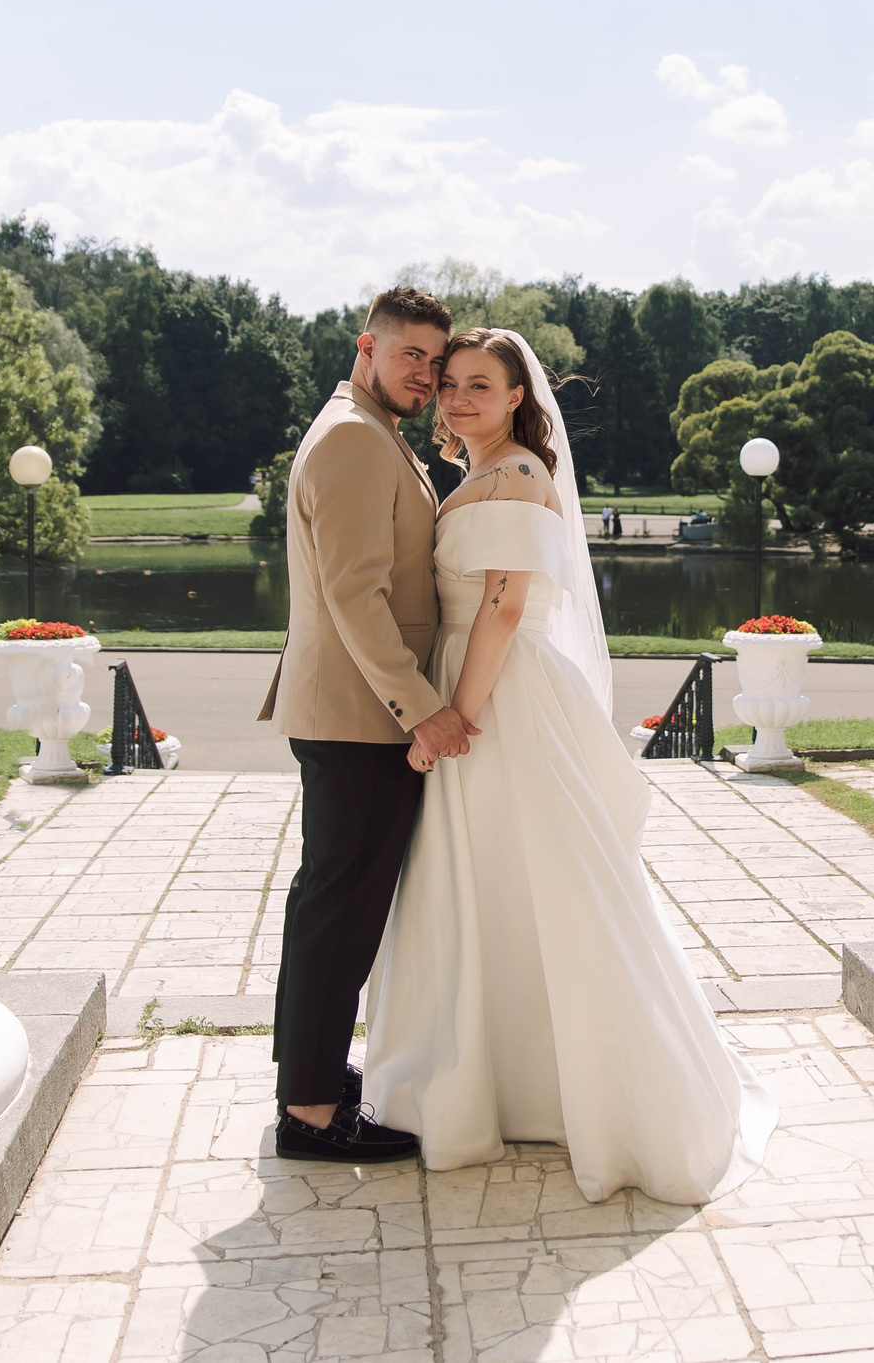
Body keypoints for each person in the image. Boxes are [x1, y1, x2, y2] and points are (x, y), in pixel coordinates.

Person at [363, 328, 777, 1204]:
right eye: (452, 385)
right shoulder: (474, 475)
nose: (460, 398)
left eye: (482, 384)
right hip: (472, 683)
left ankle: (576, 1084)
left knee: (542, 879)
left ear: (520, 396)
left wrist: (456, 718)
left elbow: (506, 607)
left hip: (500, 696)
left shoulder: (514, 474)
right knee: (487, 884)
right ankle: (502, 1076)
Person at [258, 286, 474, 1163]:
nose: (424, 372)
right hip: (360, 714)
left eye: (435, 358)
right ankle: (309, 1111)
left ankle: (309, 1076)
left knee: (332, 906)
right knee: (338, 911)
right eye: (410, 354)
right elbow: (356, 595)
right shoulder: (352, 437)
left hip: (355, 710)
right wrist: (421, 708)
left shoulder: (371, 429)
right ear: (367, 346)